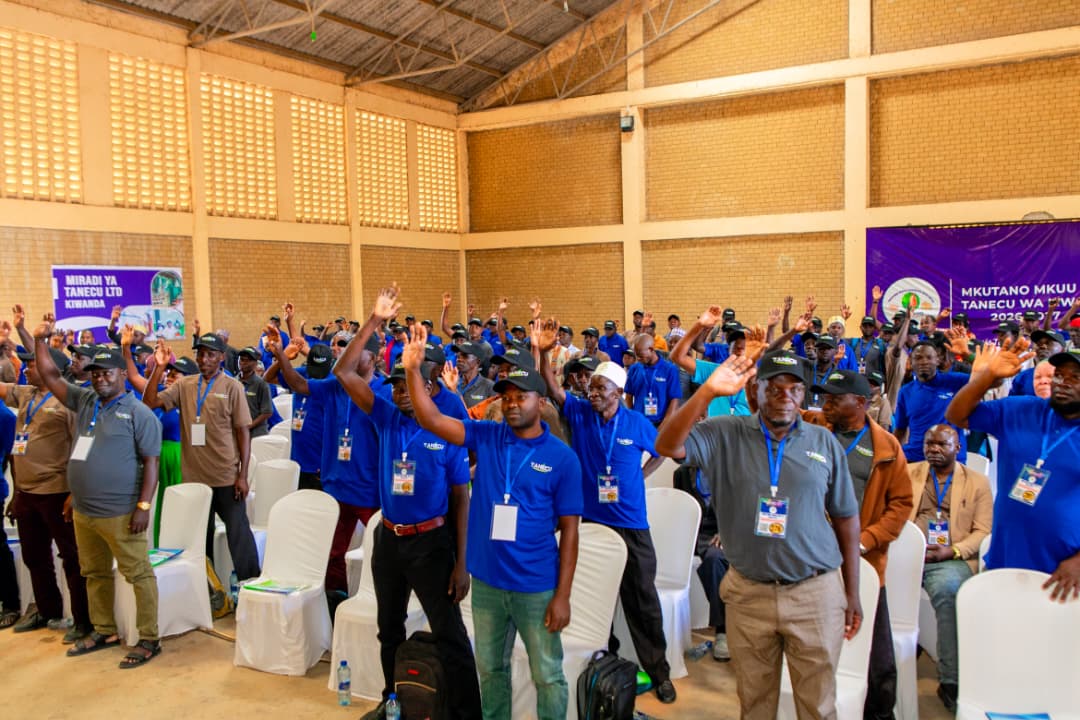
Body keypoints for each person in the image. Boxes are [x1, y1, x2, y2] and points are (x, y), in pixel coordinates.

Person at [655, 349, 862, 720]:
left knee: (817, 706)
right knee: (755, 704)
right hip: (749, 594)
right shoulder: (723, 433)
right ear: (755, 390)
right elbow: (667, 446)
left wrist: (852, 591)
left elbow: (846, 518)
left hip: (814, 594)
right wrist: (707, 392)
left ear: (804, 394)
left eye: (795, 389)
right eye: (774, 388)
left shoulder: (823, 442)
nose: (785, 397)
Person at [403, 321, 583, 720]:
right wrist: (413, 370)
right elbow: (431, 419)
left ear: (541, 402)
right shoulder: (487, 435)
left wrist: (563, 595)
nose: (512, 403)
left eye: (522, 396)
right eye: (507, 397)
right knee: (491, 671)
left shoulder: (562, 459)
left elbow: (571, 531)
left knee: (548, 675)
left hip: (535, 586)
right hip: (487, 583)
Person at [336, 288, 481, 720]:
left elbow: (461, 498)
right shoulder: (385, 416)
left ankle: (467, 712)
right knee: (389, 630)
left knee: (450, 634)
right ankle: (393, 703)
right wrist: (374, 321)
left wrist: (462, 563)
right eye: (396, 384)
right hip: (389, 541)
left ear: (429, 388)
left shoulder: (446, 428)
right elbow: (344, 372)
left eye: (408, 384)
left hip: (431, 544)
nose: (399, 392)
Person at [535, 321, 675, 704]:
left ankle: (659, 673)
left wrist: (642, 474)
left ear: (618, 392)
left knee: (642, 601)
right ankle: (605, 660)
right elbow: (552, 386)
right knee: (595, 596)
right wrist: (544, 351)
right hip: (591, 522)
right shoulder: (580, 413)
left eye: (600, 388)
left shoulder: (637, 422)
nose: (591, 392)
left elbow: (663, 449)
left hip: (630, 524)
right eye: (591, 387)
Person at [30, 335, 162, 667]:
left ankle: (149, 638)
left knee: (138, 574)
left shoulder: (139, 413)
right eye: (95, 373)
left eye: (107, 373)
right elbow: (50, 375)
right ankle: (105, 630)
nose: (100, 378)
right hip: (84, 511)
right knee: (94, 572)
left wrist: (143, 506)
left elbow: (152, 464)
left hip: (121, 512)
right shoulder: (85, 400)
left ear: (122, 374)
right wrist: (39, 340)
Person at [806, 370, 913, 720]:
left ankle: (879, 714)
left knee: (877, 658)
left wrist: (864, 542)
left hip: (863, 563)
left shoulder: (886, 447)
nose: (826, 404)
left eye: (835, 399)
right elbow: (762, 405)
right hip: (812, 559)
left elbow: (901, 505)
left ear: (861, 403)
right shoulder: (814, 427)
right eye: (825, 397)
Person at [945, 341, 1080, 601]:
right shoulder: (1021, 409)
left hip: (1065, 574)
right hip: (1005, 559)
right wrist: (987, 378)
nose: (1063, 383)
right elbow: (956, 415)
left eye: (1075, 377)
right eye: (1060, 375)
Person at [266, 332, 382, 601]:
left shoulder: (385, 392)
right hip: (336, 486)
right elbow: (298, 384)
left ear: (374, 358)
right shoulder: (334, 385)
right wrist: (281, 354)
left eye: (357, 352)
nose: (349, 356)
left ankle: (379, 602)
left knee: (380, 551)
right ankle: (335, 601)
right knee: (332, 553)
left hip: (370, 489)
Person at [142, 333, 260, 582]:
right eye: (200, 354)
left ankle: (249, 583)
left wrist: (242, 475)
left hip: (226, 477)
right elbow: (149, 401)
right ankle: (208, 587)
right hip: (194, 478)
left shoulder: (232, 387)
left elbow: (243, 432)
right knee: (199, 538)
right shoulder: (184, 385)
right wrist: (160, 368)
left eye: (210, 354)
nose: (204, 359)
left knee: (238, 534)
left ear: (221, 357)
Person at [0, 345, 92, 642]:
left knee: (72, 558)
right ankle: (47, 609)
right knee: (34, 556)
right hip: (27, 492)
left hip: (57, 491)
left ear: (52, 369)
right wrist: (17, 493)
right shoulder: (26, 394)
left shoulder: (68, 401)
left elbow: (82, 447)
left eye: (32, 364)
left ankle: (83, 620)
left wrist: (74, 491)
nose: (26, 369)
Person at [906, 424, 992, 712]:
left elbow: (983, 531)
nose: (934, 449)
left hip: (950, 559)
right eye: (929, 444)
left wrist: (952, 551)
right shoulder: (908, 472)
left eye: (942, 444)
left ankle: (951, 680)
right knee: (877, 588)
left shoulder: (977, 482)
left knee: (950, 592)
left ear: (958, 448)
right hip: (908, 556)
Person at [672, 459, 731, 661]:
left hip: (722, 533)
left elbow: (742, 506)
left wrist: (726, 532)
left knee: (714, 559)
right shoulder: (681, 473)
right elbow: (681, 509)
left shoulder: (731, 469)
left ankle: (723, 631)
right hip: (695, 533)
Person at [893, 340, 969, 464]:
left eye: (929, 357)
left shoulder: (955, 381)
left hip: (950, 459)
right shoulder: (905, 391)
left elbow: (990, 379)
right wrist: (891, 454)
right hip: (915, 458)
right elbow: (900, 430)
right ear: (911, 362)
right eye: (918, 358)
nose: (924, 362)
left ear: (937, 360)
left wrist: (968, 356)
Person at [671, 306, 752, 418]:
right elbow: (677, 357)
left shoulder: (757, 377)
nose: (741, 351)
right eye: (737, 347)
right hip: (716, 429)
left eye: (746, 348)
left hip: (745, 429)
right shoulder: (714, 371)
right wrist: (699, 325)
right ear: (729, 349)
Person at [625, 334, 682, 427]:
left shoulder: (669, 370)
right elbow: (628, 396)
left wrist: (664, 426)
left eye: (640, 355)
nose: (638, 359)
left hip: (660, 423)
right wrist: (632, 419)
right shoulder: (634, 369)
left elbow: (674, 400)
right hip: (639, 424)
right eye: (636, 355)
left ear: (651, 349)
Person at [235, 347, 272, 438]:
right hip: (236, 431)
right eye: (241, 359)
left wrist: (248, 426)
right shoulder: (233, 382)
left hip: (256, 433)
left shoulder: (261, 384)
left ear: (255, 364)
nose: (243, 362)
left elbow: (267, 412)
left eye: (247, 360)